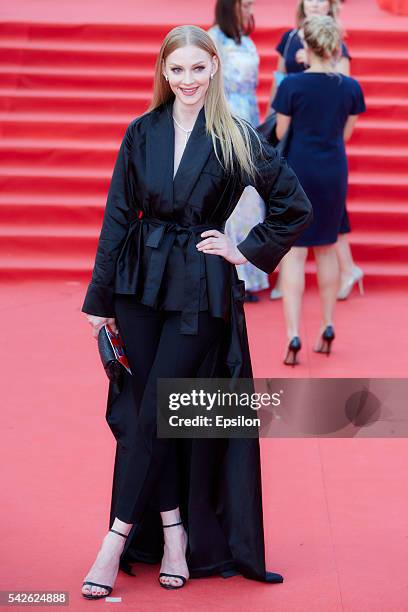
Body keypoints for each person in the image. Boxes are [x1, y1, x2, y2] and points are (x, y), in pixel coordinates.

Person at [80, 24, 312, 599]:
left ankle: (112, 541)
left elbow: (294, 205)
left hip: (199, 290)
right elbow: (115, 217)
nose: (187, 79)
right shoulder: (141, 133)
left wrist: (245, 250)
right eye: (176, 69)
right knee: (143, 416)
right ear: (164, 72)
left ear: (213, 69)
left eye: (197, 68)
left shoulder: (235, 135)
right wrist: (99, 302)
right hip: (138, 284)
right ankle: (173, 532)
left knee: (158, 409)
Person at [272, 15, 365, 366]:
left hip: (298, 171)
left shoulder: (292, 86)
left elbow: (281, 134)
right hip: (332, 172)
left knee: (294, 253)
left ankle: (293, 333)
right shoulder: (351, 87)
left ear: (307, 48)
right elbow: (345, 135)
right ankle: (327, 326)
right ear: (336, 47)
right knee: (326, 249)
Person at [208, 0, 269, 303]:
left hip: (250, 120)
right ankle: (228, 275)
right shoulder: (213, 40)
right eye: (244, 4)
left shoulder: (245, 41)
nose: (249, 9)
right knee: (229, 199)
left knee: (250, 197)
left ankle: (248, 272)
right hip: (224, 124)